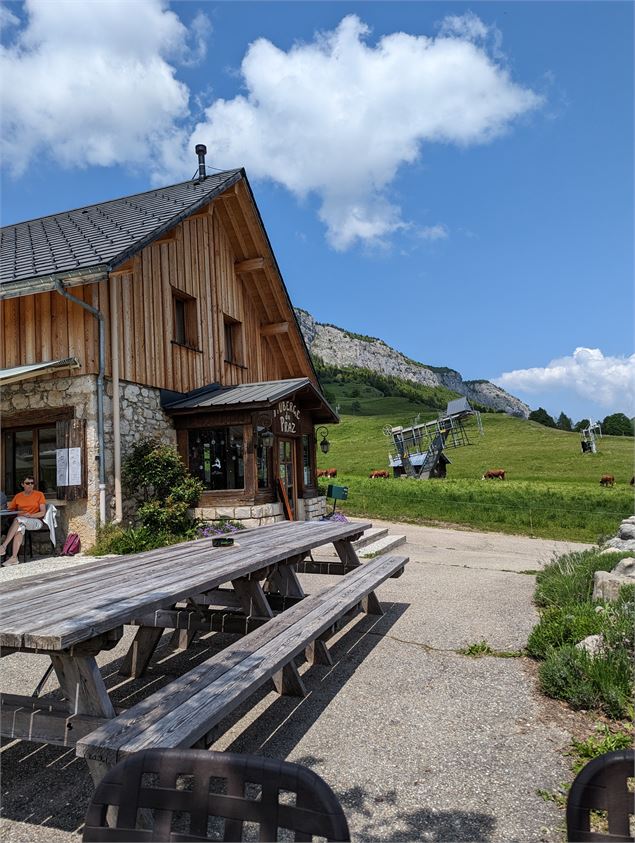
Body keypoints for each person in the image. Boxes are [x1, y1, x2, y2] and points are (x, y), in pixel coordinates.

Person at [0, 477, 46, 566]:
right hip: (21, 521)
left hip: (35, 521)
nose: (30, 485)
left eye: (32, 483)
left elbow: (42, 513)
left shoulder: (39, 494)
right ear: (22, 484)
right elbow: (10, 510)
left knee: (18, 520)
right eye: (28, 483)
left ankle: (3, 546)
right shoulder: (18, 496)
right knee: (20, 528)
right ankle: (14, 558)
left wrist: (31, 515)